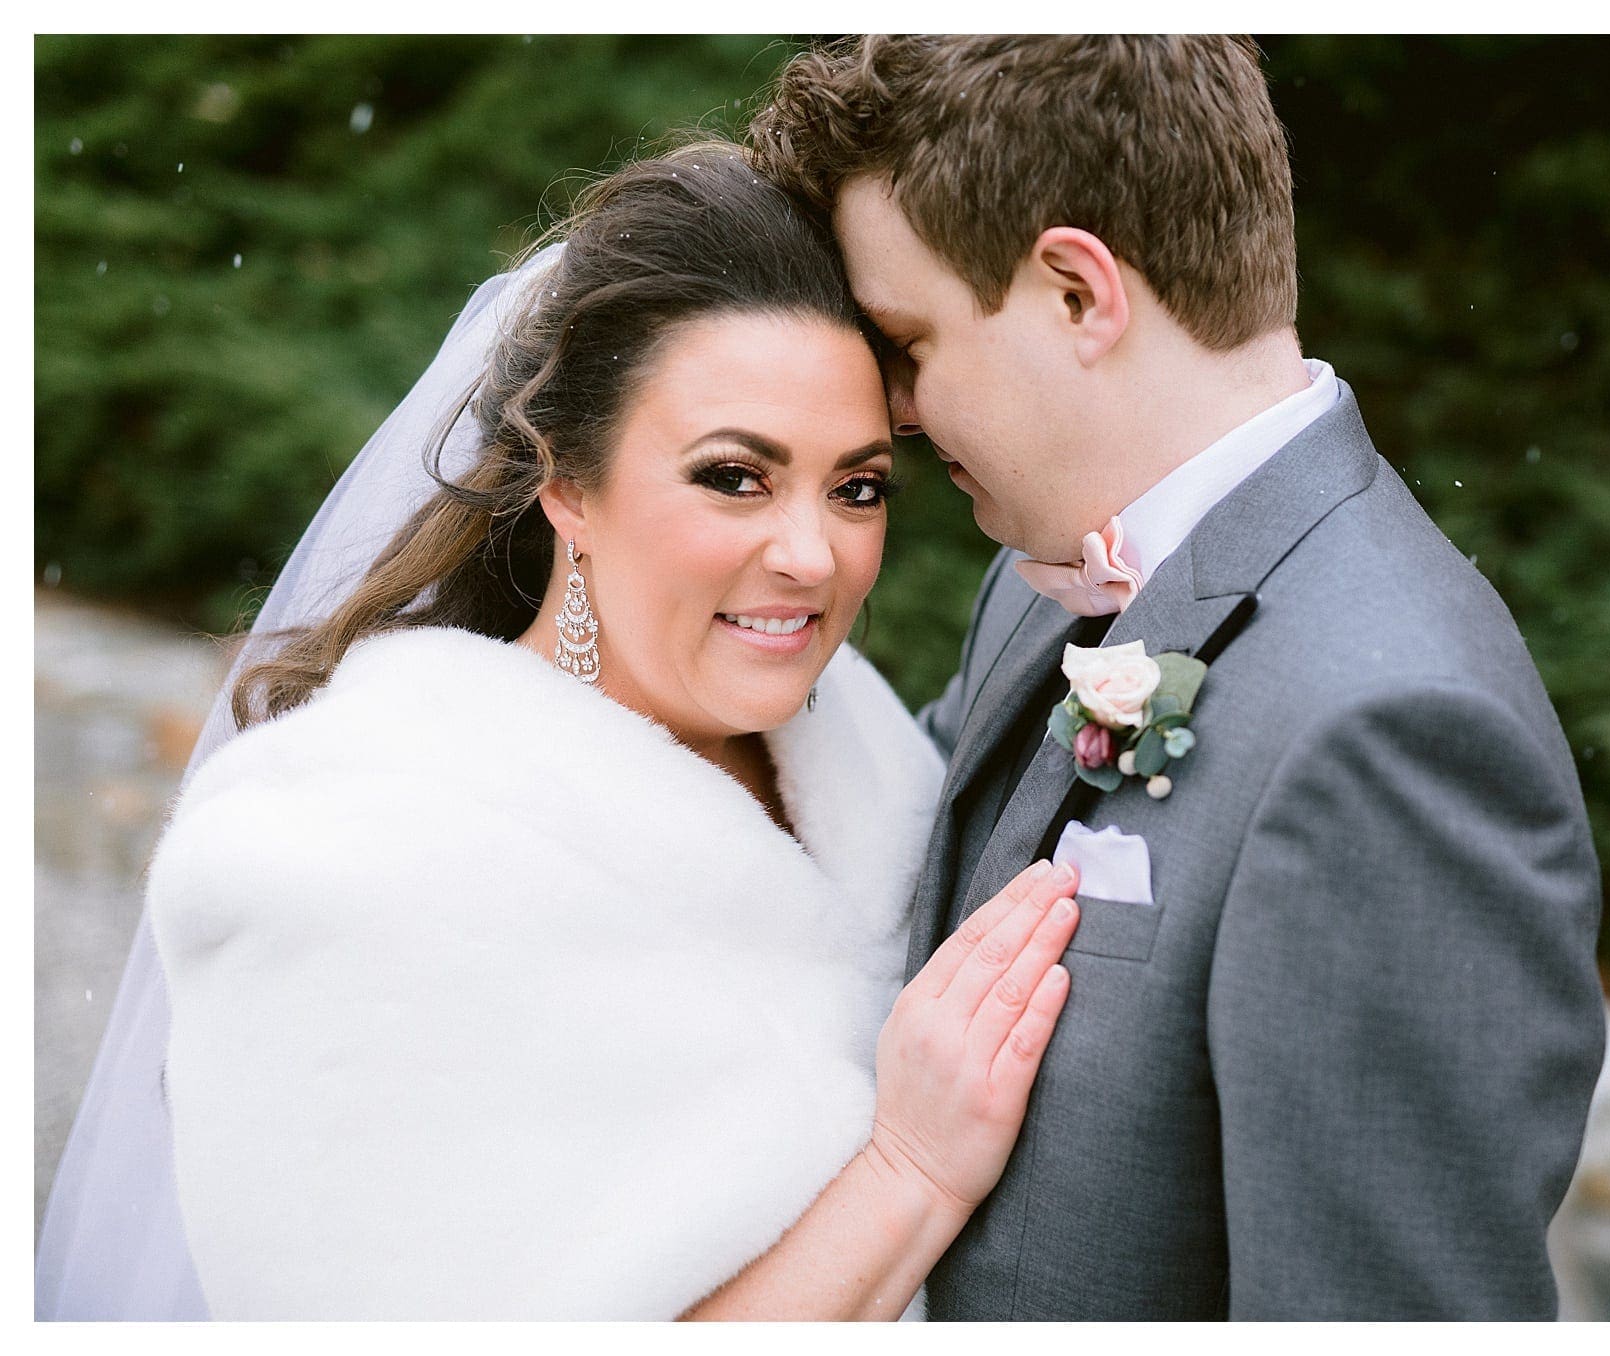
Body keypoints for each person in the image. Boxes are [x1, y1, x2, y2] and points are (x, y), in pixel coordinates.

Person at [39, 141, 1083, 1320]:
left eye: (855, 487)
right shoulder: (339, 864)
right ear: (567, 486)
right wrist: (910, 1170)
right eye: (735, 476)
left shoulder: (866, 753)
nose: (813, 555)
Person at [745, 35, 1608, 1319]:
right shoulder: (1039, 575)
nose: (902, 413)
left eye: (910, 344)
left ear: (1077, 293)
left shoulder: (1394, 734)